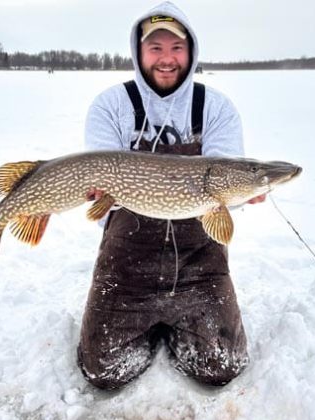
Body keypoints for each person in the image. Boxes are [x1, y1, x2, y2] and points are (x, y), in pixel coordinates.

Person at [77, 1, 265, 390]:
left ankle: (178, 320)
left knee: (220, 366)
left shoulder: (215, 108)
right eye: (156, 48)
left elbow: (224, 182)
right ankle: (152, 322)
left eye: (176, 48)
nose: (166, 58)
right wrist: (98, 194)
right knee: (104, 372)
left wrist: (245, 191)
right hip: (126, 266)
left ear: (191, 52)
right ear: (139, 52)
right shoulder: (112, 106)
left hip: (201, 267)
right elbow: (100, 189)